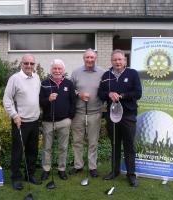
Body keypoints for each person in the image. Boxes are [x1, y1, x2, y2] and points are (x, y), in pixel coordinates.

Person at [98, 49, 142, 187]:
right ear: (111, 61)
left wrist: (121, 96)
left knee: (129, 146)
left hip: (128, 115)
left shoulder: (132, 73)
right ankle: (114, 171)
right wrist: (109, 94)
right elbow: (100, 93)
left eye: (120, 59)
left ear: (125, 61)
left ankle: (131, 175)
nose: (117, 62)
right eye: (115, 60)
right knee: (115, 144)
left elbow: (138, 93)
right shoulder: (106, 75)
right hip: (112, 115)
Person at [3, 54, 41, 190]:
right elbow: (7, 99)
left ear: (34, 65)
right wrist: (14, 115)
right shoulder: (15, 79)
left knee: (32, 151)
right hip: (20, 122)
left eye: (31, 63)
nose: (29, 66)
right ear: (21, 64)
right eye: (26, 63)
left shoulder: (36, 77)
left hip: (34, 121)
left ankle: (29, 175)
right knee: (18, 152)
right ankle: (15, 178)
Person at [69, 49, 105, 177]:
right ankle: (78, 165)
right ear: (83, 58)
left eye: (92, 57)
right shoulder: (76, 72)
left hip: (95, 113)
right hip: (78, 113)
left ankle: (92, 167)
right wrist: (79, 94)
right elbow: (70, 89)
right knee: (77, 141)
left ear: (95, 58)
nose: (89, 60)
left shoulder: (103, 73)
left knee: (93, 142)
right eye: (87, 57)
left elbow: (106, 90)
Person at [39, 59, 76, 181]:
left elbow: (73, 102)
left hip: (64, 121)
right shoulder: (44, 83)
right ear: (51, 70)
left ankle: (61, 169)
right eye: (55, 68)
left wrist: (70, 117)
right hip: (48, 121)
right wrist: (48, 99)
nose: (57, 71)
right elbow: (40, 102)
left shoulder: (69, 84)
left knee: (63, 147)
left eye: (59, 68)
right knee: (47, 147)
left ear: (63, 70)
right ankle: (46, 170)